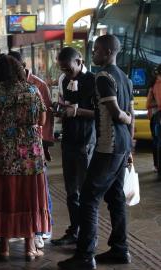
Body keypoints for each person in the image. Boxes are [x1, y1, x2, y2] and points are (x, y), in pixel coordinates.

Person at [58, 34, 134, 270]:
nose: (95, 54)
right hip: (120, 147)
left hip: (107, 146)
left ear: (110, 51)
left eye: (98, 50)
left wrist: (126, 117)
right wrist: (130, 146)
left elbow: (118, 113)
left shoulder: (104, 76)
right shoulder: (126, 78)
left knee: (89, 199)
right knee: (115, 198)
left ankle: (84, 255)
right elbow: (129, 116)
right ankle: (120, 249)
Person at [0, 54, 51, 261]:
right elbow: (42, 119)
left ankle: (5, 247)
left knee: (5, 199)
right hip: (30, 158)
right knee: (28, 199)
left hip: (2, 157)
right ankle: (29, 247)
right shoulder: (32, 90)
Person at [8, 50, 54, 248]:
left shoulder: (37, 85)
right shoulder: (7, 86)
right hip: (15, 149)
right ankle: (26, 230)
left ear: (22, 65)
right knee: (23, 190)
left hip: (35, 147)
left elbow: (46, 119)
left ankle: (42, 230)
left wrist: (45, 144)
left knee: (41, 189)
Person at [50, 47, 96, 246]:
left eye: (68, 69)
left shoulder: (93, 81)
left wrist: (76, 111)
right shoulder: (62, 80)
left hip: (86, 140)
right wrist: (59, 111)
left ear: (80, 61)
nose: (65, 73)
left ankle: (88, 236)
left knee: (86, 191)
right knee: (71, 191)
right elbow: (64, 103)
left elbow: (99, 113)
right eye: (62, 69)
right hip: (68, 139)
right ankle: (74, 230)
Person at [146, 64, 161, 172]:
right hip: (158, 116)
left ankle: (157, 166)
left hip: (155, 116)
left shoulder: (154, 83)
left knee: (156, 141)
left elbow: (148, 104)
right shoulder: (158, 84)